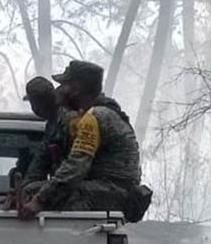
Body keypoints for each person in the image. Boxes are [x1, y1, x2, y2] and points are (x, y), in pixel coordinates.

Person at [18, 60, 141, 218]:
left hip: (113, 193)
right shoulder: (92, 114)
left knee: (40, 193)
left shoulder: (94, 117)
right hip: (110, 190)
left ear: (75, 90)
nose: (59, 91)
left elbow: (75, 166)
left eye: (63, 85)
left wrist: (39, 200)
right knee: (35, 190)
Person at [14, 77, 69, 194]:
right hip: (60, 187)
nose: (34, 108)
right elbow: (40, 161)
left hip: (70, 187)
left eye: (33, 104)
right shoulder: (52, 124)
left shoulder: (68, 120)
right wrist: (22, 189)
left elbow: (74, 165)